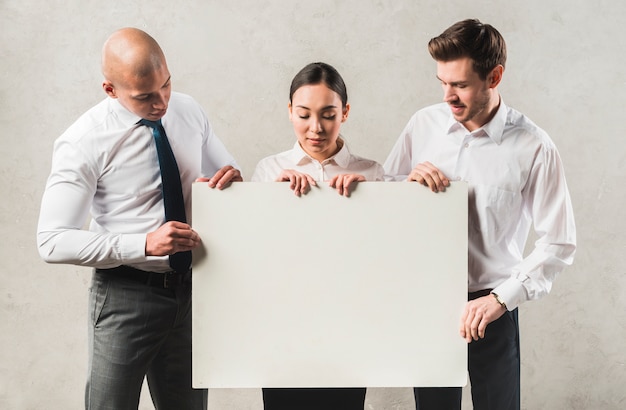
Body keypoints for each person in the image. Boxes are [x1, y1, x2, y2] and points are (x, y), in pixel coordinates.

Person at [36, 28, 242, 410]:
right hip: (124, 296)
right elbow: (51, 240)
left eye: (166, 85)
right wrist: (145, 243)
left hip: (192, 292)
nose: (162, 101)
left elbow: (227, 175)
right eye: (145, 96)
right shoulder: (83, 141)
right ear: (110, 89)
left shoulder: (190, 110)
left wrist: (233, 180)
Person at [383, 19, 576, 410]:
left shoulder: (534, 146)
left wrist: (500, 300)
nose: (448, 96)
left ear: (495, 76)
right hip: (431, 300)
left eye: (461, 85)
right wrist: (405, 185)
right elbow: (383, 202)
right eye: (442, 82)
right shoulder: (423, 125)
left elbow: (558, 242)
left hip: (495, 306)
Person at [252, 62, 383, 409]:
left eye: (328, 114)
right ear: (289, 112)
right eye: (304, 114)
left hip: (349, 327)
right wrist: (272, 201)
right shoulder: (269, 170)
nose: (316, 128)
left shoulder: (371, 172)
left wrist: (371, 202)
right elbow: (255, 256)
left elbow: (384, 257)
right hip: (284, 327)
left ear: (345, 112)